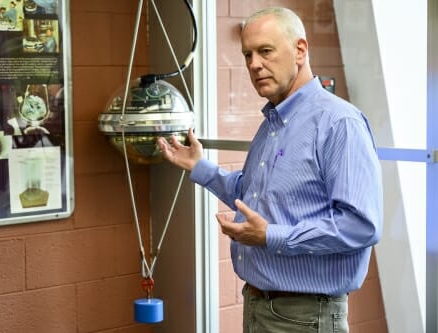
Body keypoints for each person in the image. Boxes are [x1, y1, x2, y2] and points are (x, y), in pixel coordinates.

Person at [157, 6, 383, 333]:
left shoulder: (339, 123)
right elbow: (254, 192)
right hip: (260, 304)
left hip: (306, 316)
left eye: (265, 51)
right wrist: (199, 167)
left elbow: (361, 225)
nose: (254, 65)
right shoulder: (274, 122)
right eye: (247, 54)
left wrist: (271, 236)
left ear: (300, 50)